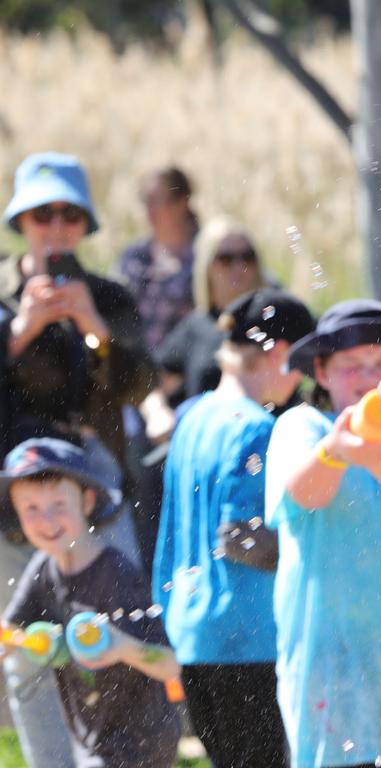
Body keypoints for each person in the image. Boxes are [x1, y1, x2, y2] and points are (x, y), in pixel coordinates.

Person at [0, 151, 153, 766]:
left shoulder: (110, 296)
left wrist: (94, 328)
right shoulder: (4, 299)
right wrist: (20, 332)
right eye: (43, 215)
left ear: (84, 223)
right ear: (22, 223)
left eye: (68, 214)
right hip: (14, 498)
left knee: (119, 628)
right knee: (27, 645)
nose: (56, 226)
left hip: (96, 490)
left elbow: (141, 386)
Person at [265, 299, 381, 768]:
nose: (368, 379)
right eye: (351, 367)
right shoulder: (302, 426)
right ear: (320, 373)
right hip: (328, 657)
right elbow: (305, 496)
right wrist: (336, 452)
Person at [154, 289, 314, 768]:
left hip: (192, 632)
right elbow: (240, 538)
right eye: (307, 361)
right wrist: (314, 550)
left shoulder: (193, 417)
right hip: (247, 640)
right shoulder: (255, 428)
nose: (307, 376)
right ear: (281, 354)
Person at [1, 438, 181, 768]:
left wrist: (119, 646)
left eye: (58, 504)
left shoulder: (115, 573)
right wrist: (18, 640)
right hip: (91, 739)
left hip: (141, 739)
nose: (47, 520)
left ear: (86, 502)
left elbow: (169, 664)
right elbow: (7, 631)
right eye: (31, 509)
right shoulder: (43, 568)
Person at [140, 215, 271, 443]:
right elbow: (150, 380)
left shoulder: (276, 319)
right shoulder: (196, 326)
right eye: (226, 259)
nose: (238, 267)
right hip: (208, 446)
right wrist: (157, 413)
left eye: (247, 257)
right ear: (207, 267)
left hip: (269, 442)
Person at [118, 167, 199, 350]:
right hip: (137, 369)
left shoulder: (208, 254)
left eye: (157, 201)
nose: (150, 210)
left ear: (182, 202)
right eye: (147, 201)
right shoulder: (134, 255)